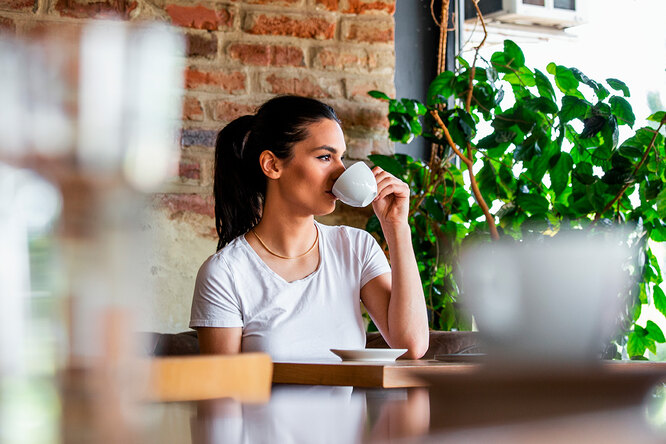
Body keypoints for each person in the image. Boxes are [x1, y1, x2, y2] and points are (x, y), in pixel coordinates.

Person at [189, 95, 429, 361]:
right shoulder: (226, 273)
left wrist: (397, 227)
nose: (341, 172)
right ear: (273, 164)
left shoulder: (356, 249)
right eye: (325, 157)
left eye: (341, 158)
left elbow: (412, 345)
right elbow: (223, 393)